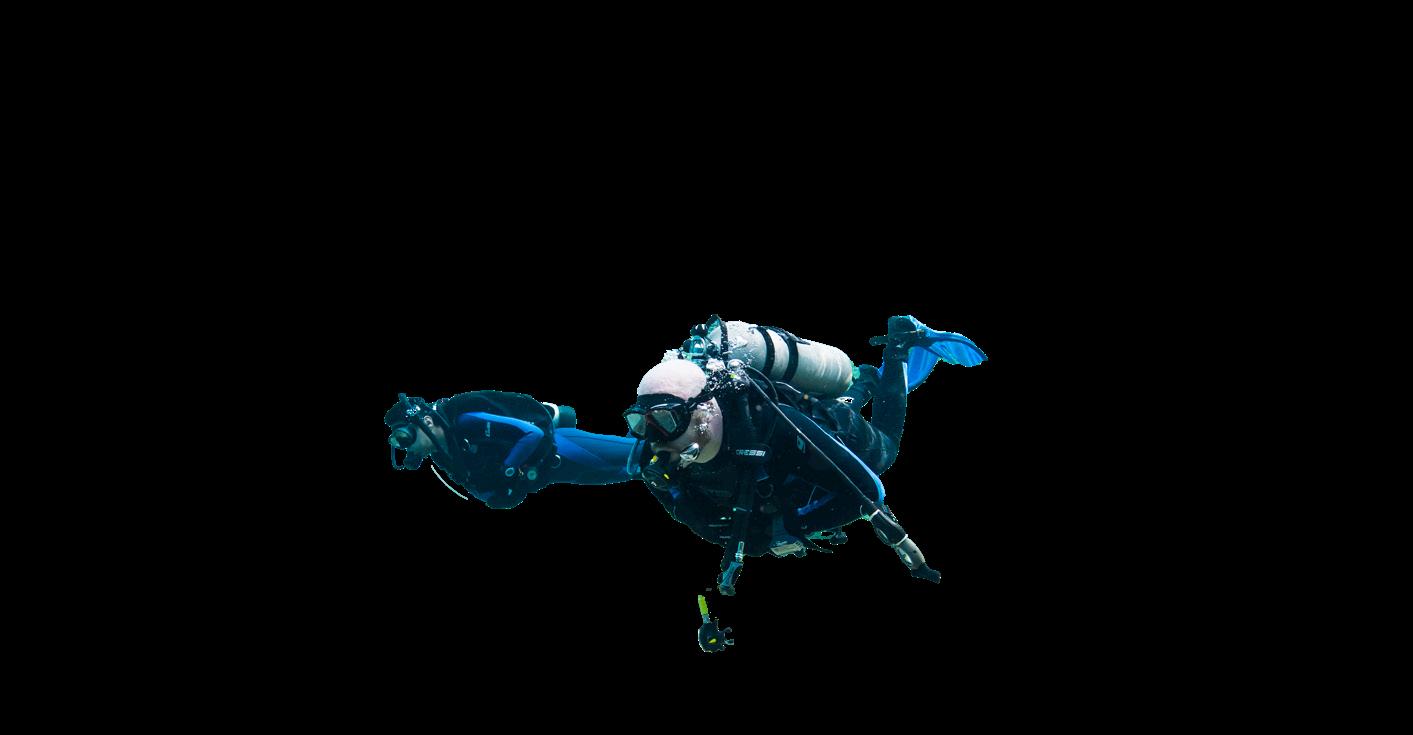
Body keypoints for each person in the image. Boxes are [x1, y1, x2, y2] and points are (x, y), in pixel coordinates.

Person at [385, 315, 985, 589]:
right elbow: (697, 512)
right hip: (785, 457)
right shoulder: (667, 454)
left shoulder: (764, 428)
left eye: (664, 422)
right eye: (640, 423)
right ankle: (870, 381)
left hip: (814, 435)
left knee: (882, 451)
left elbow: (868, 491)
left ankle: (901, 347)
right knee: (640, 465)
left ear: (703, 411)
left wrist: (791, 530)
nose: (653, 437)